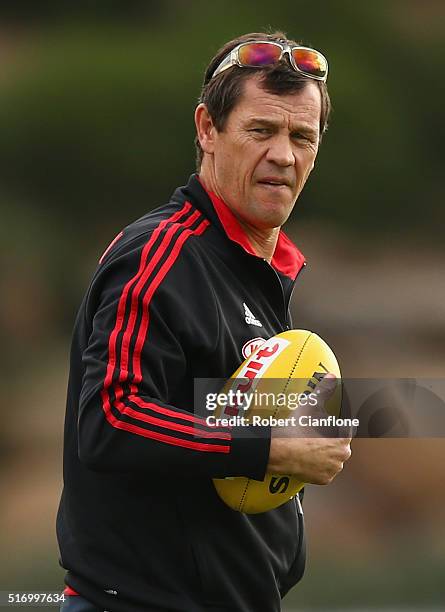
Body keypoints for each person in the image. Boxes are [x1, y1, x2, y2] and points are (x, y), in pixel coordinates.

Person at [57, 31, 351, 612]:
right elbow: (111, 419)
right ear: (207, 130)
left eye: (302, 137)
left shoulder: (258, 268)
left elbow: (209, 404)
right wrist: (266, 446)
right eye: (261, 130)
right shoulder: (162, 253)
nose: (284, 156)